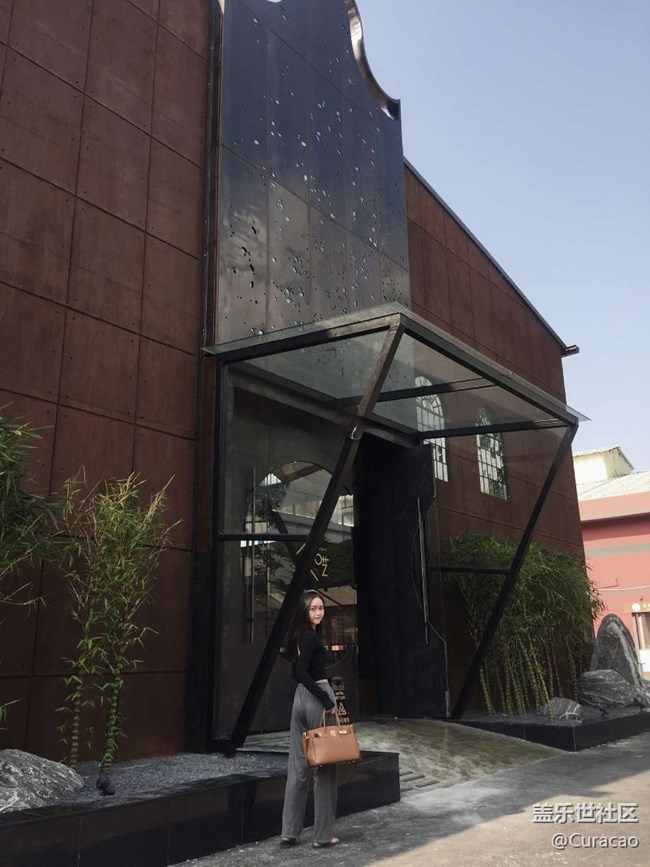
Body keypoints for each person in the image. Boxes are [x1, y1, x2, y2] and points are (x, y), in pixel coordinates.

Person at [280, 589, 340, 849]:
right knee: (325, 766)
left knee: (297, 766)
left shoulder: (298, 637)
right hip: (317, 697)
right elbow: (302, 672)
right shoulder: (311, 638)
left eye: (321, 607)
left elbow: (297, 672)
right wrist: (326, 699)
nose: (318, 612)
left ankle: (289, 832)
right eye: (313, 608)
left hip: (299, 700)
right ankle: (323, 836)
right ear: (304, 611)